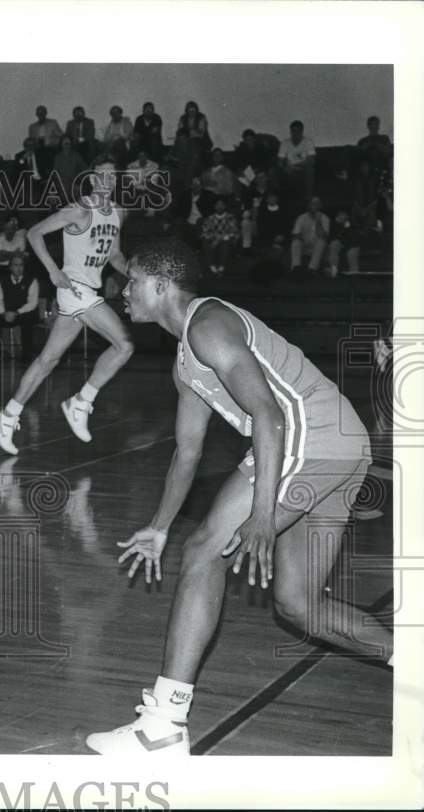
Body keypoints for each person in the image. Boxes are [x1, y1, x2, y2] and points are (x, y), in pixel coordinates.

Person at [85, 238, 390, 756]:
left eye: (132, 280)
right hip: (340, 442)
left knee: (205, 548)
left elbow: (269, 416)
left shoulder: (208, 326)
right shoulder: (187, 360)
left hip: (308, 436)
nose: (122, 291)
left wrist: (264, 514)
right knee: (298, 606)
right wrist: (159, 527)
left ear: (161, 286)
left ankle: (163, 726)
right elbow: (187, 452)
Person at [0, 166, 133, 455]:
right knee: (124, 345)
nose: (107, 181)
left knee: (48, 359)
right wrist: (53, 271)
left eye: (112, 176)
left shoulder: (118, 212)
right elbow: (34, 233)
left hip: (89, 289)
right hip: (73, 289)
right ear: (91, 180)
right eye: (101, 176)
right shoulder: (78, 210)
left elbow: (114, 254)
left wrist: (133, 272)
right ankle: (81, 402)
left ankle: (7, 417)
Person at [0, 255, 41, 361]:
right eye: (15, 265)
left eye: (21, 265)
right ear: (10, 267)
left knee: (28, 320)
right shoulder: (1, 282)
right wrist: (4, 313)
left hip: (24, 312)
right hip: (6, 313)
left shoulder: (32, 281)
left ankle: (27, 356)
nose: (19, 268)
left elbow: (33, 303)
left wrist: (17, 312)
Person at [290, 196, 330, 275]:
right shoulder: (301, 217)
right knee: (296, 242)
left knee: (321, 241)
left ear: (320, 206)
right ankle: (296, 267)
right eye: (313, 203)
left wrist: (318, 221)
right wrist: (302, 239)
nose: (315, 205)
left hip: (317, 247)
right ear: (308, 205)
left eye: (317, 203)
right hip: (304, 245)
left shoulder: (325, 218)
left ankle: (312, 268)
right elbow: (295, 234)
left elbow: (323, 235)